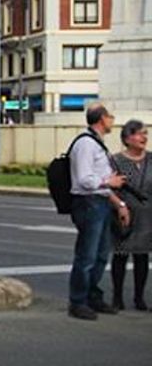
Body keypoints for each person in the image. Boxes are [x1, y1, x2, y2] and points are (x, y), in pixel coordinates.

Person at [67, 104, 130, 320]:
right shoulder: (86, 144)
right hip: (88, 203)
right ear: (102, 119)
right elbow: (84, 179)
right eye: (110, 116)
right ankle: (78, 301)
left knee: (101, 254)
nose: (113, 120)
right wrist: (108, 181)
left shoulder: (96, 142)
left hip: (100, 201)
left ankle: (92, 295)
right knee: (87, 255)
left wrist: (117, 203)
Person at [110, 120, 151, 311]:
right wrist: (120, 206)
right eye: (140, 134)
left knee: (142, 256)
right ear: (127, 138)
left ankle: (139, 298)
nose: (144, 137)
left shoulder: (151, 159)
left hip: (147, 215)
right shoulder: (116, 160)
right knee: (121, 254)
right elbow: (108, 187)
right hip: (124, 213)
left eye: (146, 133)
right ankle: (117, 297)